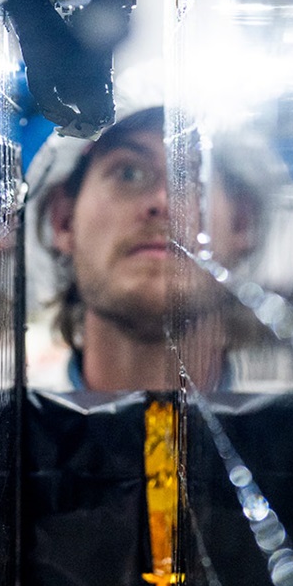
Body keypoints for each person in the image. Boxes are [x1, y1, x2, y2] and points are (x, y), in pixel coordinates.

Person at [31, 106, 260, 392]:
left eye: (192, 176)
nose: (163, 203)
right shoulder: (5, 431)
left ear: (241, 224)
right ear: (63, 221)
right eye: (129, 173)